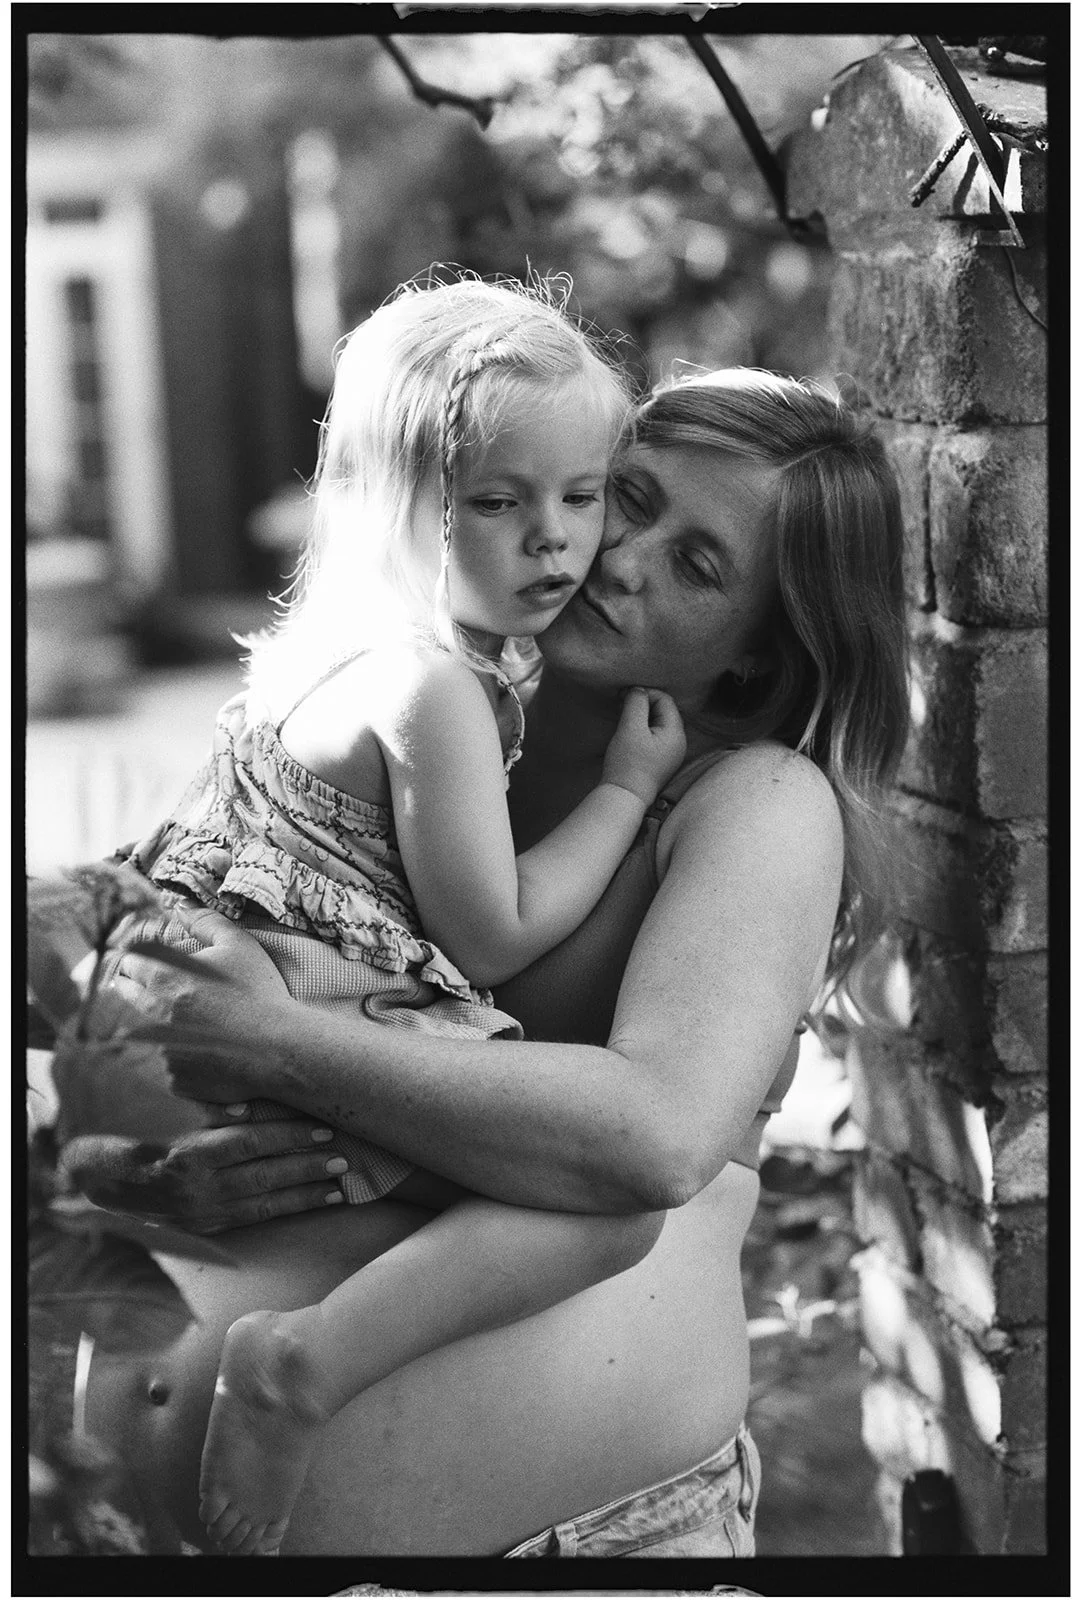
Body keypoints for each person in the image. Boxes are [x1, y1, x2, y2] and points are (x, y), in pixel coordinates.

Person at [65, 363, 909, 1560]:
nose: (618, 558)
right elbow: (126, 1000)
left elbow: (652, 1138)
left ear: (756, 658)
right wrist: (125, 1168)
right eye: (626, 499)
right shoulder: (405, 715)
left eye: (696, 565)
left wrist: (265, 1043)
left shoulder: (749, 802)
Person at [113, 275, 687, 1555]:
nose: (554, 541)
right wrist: (626, 792)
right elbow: (493, 931)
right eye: (496, 501)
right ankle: (302, 1363)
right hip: (305, 1003)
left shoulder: (326, 647)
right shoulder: (429, 686)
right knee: (607, 1199)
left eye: (581, 495)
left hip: (216, 991)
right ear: (396, 501)